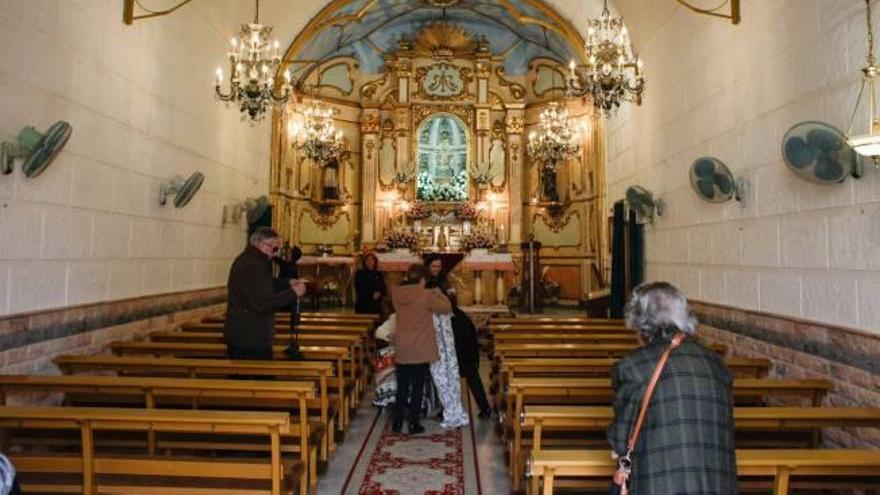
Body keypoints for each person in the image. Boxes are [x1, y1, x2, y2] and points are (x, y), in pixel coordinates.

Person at [608, 282, 737, 494]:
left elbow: (620, 443)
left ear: (640, 322)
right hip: (718, 483)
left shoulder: (634, 367)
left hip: (661, 485)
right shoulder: (716, 363)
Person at [224, 227, 307, 360]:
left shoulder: (247, 259)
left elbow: (260, 286)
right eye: (274, 248)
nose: (274, 254)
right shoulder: (254, 264)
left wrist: (288, 282)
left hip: (243, 334)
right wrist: (293, 293)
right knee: (259, 379)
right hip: (251, 337)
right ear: (262, 244)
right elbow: (263, 303)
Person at [391, 264, 452, 435]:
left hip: (403, 347)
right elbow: (447, 307)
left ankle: (397, 422)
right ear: (422, 279)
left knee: (402, 387)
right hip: (420, 348)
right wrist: (438, 292)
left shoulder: (397, 294)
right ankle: (413, 423)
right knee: (418, 388)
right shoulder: (426, 295)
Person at [449, 294, 491, 418]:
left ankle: (450, 409)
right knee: (474, 382)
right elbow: (472, 337)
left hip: (459, 355)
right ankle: (485, 407)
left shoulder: (450, 317)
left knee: (451, 382)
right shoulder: (462, 315)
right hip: (468, 355)